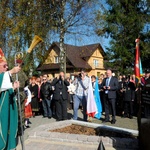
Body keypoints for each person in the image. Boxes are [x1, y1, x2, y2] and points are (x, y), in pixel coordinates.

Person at [0, 48, 21, 150]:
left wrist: (13, 88)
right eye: (4, 66)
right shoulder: (3, 76)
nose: (7, 67)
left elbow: (3, 91)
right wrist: (11, 72)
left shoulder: (3, 77)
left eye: (7, 66)